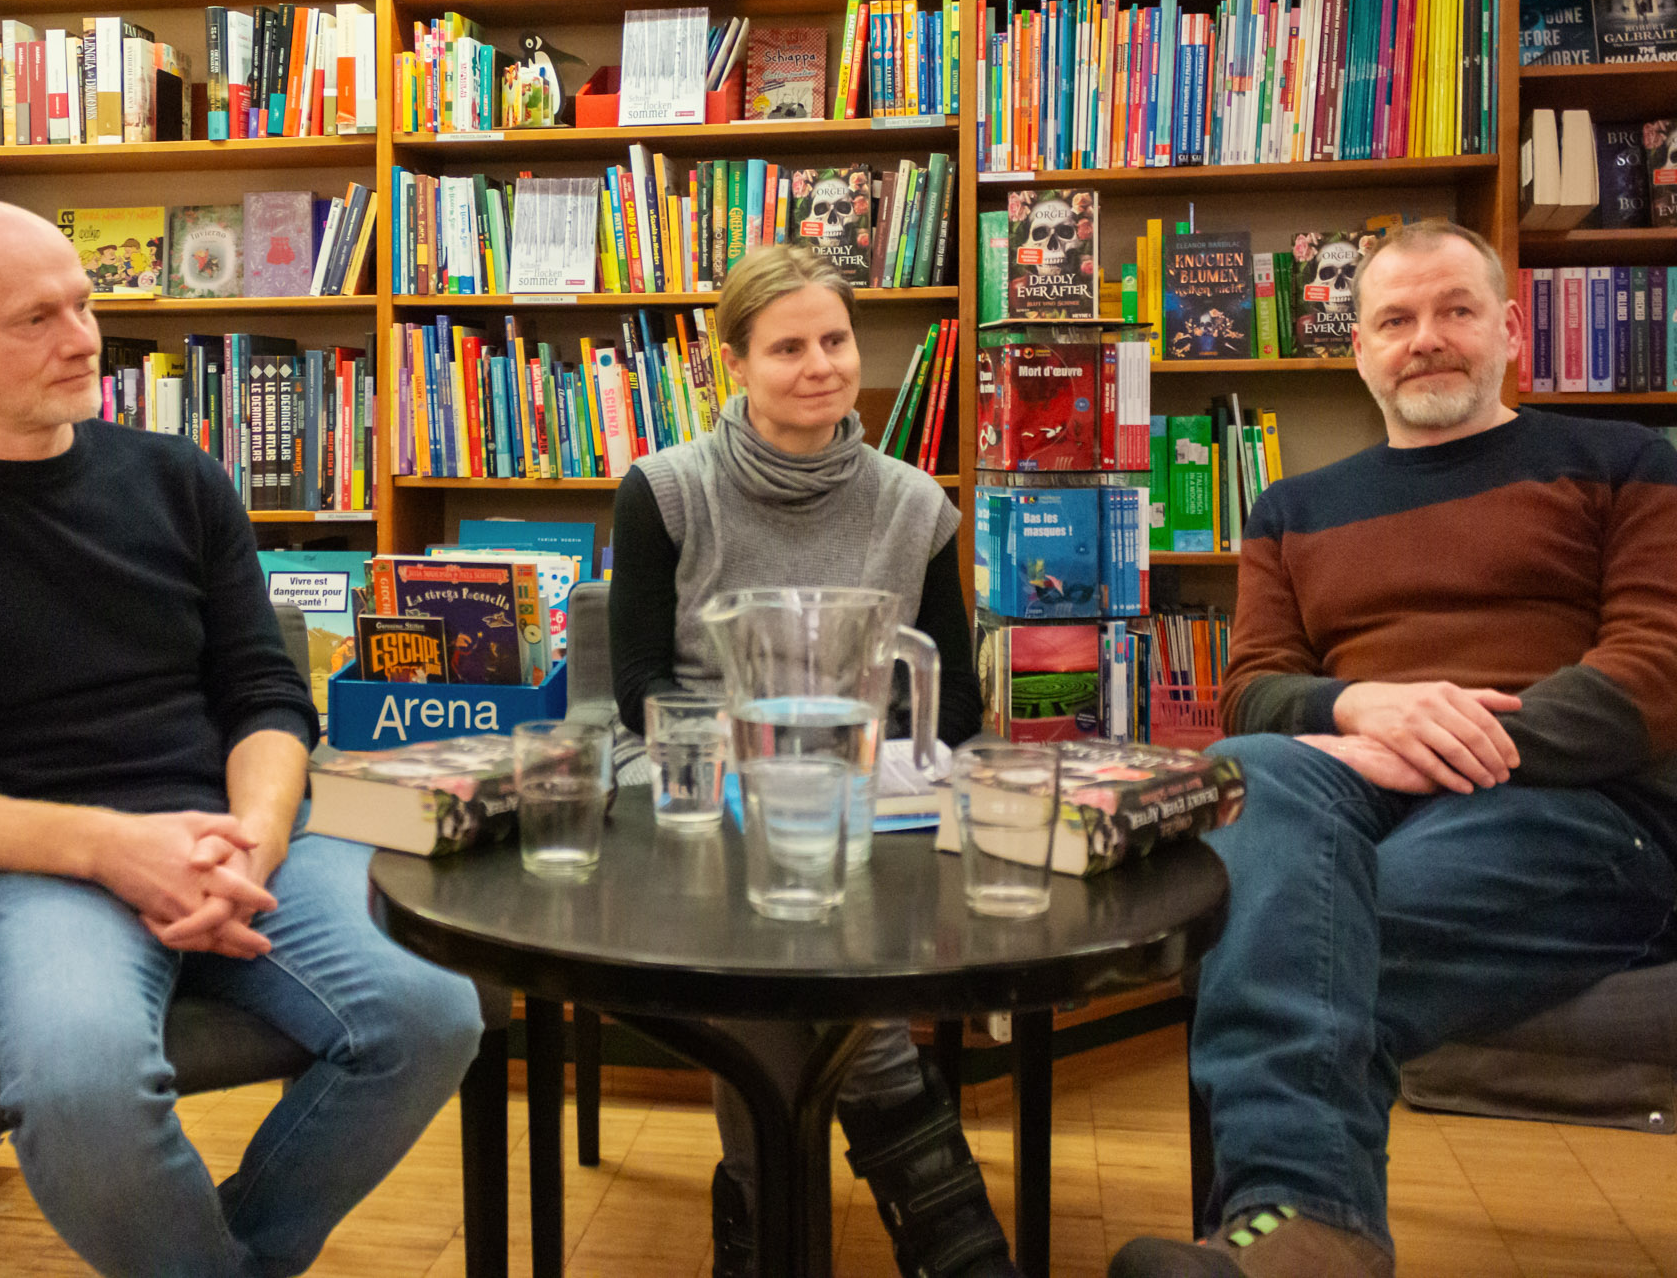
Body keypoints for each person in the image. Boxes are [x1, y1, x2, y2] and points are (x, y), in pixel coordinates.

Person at [0, 199, 482, 1278]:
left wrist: (253, 835)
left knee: (434, 1011)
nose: (80, 340)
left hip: (231, 836)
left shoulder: (179, 478)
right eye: (32, 320)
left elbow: (264, 695)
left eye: (84, 304)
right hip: (42, 869)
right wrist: (114, 849)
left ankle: (236, 1255)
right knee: (79, 1083)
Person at [1111, 220, 1677, 1278]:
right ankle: (1302, 1238)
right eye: (1395, 320)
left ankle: (1300, 1227)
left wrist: (1448, 738)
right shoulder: (1290, 509)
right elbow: (1251, 693)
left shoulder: (1626, 462)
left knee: (1281, 939)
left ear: (1507, 329)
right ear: (1359, 348)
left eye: (1455, 311)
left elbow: (1651, 673)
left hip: (1578, 816)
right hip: (1354, 798)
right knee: (1267, 770)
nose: (1426, 339)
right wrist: (1362, 706)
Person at [608, 244, 1011, 1278]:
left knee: (786, 982)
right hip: (699, 787)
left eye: (834, 339)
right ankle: (955, 1252)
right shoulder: (663, 491)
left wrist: (852, 767)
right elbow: (642, 688)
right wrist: (750, 768)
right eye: (786, 347)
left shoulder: (911, 503)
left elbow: (955, 699)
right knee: (828, 990)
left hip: (868, 793)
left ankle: (756, 1238)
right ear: (732, 362)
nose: (820, 364)